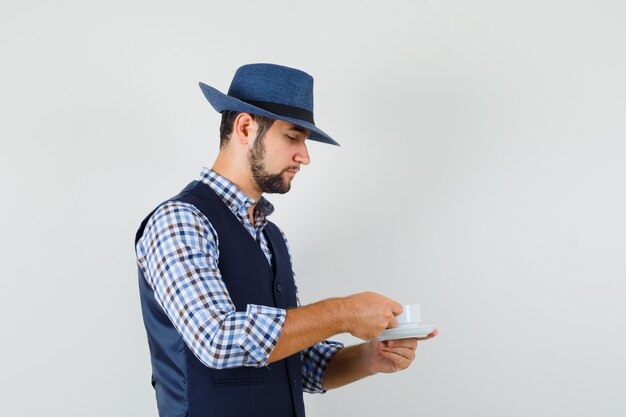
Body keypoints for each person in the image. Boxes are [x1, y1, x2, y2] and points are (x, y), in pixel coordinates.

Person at [135, 63, 438, 417]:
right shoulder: (179, 220)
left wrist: (369, 357)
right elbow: (216, 339)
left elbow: (296, 362)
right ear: (246, 127)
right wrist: (343, 311)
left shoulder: (271, 236)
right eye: (293, 137)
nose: (305, 157)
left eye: (305, 142)